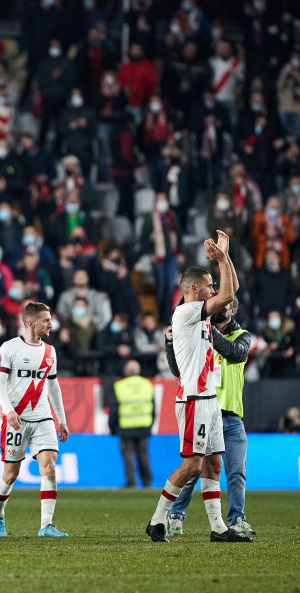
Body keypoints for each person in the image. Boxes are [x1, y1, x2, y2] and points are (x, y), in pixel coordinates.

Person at [145, 231, 252, 543]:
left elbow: (232, 291)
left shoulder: (201, 317)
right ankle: (157, 520)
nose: (213, 288)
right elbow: (229, 295)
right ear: (194, 289)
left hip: (209, 400)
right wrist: (221, 259)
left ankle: (219, 528)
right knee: (191, 464)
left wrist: (224, 257)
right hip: (193, 398)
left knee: (214, 463)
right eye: (208, 285)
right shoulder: (187, 312)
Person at [165, 298, 257, 537]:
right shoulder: (200, 334)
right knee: (195, 469)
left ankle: (236, 519)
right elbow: (178, 370)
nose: (216, 310)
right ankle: (175, 514)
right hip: (205, 411)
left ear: (233, 310)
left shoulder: (242, 336)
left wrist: (206, 328)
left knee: (236, 470)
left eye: (221, 307)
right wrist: (169, 343)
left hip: (231, 415)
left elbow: (235, 353)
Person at [0, 302, 70, 538]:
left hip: (43, 417)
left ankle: (46, 525)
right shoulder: (10, 348)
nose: (50, 324)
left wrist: (62, 420)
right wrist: (8, 411)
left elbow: (53, 385)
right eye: (46, 320)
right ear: (30, 323)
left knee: (48, 465)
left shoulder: (50, 351)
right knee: (10, 475)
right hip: (17, 419)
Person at [109, 359, 154, 488]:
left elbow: (114, 410)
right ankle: (147, 482)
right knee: (143, 455)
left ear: (125, 371)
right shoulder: (147, 384)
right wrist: (150, 424)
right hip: (144, 425)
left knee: (128, 456)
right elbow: (153, 407)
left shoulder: (119, 386)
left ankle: (131, 483)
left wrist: (112, 427)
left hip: (126, 426)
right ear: (139, 371)